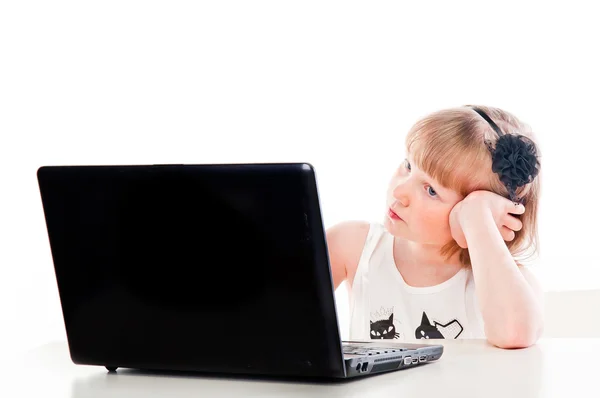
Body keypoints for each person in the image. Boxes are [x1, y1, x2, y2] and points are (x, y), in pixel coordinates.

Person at [326, 105, 544, 349]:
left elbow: (514, 334)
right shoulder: (354, 247)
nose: (399, 192)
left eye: (431, 190)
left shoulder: (506, 282)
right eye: (408, 166)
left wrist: (478, 217)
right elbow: (282, 310)